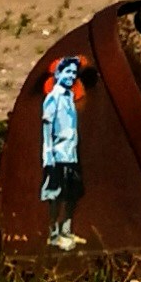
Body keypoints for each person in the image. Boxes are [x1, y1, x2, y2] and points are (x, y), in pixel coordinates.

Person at [38, 51, 90, 249]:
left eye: (73, 73)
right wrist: (48, 156)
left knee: (72, 194)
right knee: (55, 195)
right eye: (67, 72)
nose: (70, 76)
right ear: (57, 74)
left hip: (70, 154)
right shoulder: (53, 98)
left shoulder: (69, 97)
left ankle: (66, 229)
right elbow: (47, 128)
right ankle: (53, 233)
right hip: (57, 156)